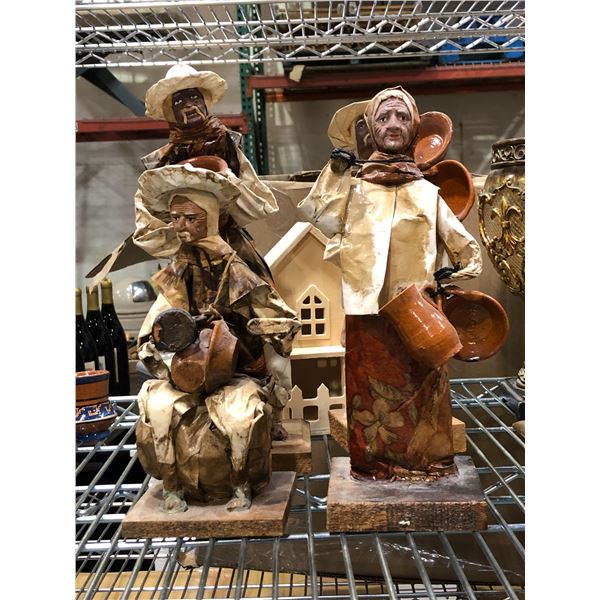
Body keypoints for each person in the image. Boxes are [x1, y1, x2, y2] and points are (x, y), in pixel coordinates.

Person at [298, 86, 482, 479]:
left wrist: (447, 278)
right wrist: (335, 171)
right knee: (367, 393)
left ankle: (429, 464)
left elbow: (466, 250)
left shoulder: (427, 193)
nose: (393, 124)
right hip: (366, 313)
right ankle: (372, 466)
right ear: (370, 129)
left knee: (424, 390)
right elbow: (320, 217)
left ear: (414, 128)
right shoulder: (354, 189)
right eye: (384, 117)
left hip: (416, 313)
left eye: (402, 117)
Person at [133, 163, 300, 512]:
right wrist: (153, 341)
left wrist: (260, 331)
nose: (180, 226)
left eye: (190, 218)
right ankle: (173, 486)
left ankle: (241, 484)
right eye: (175, 218)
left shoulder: (235, 267)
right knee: (157, 408)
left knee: (239, 418)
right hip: (189, 366)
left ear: (211, 218)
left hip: (235, 369)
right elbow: (164, 309)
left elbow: (273, 314)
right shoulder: (182, 265)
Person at [142, 63, 278, 283]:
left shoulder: (225, 140)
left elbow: (247, 184)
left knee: (256, 282)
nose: (189, 105)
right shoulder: (167, 156)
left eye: (194, 97)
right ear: (170, 111)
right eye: (179, 101)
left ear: (205, 101)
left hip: (228, 232)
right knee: (188, 288)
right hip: (191, 235)